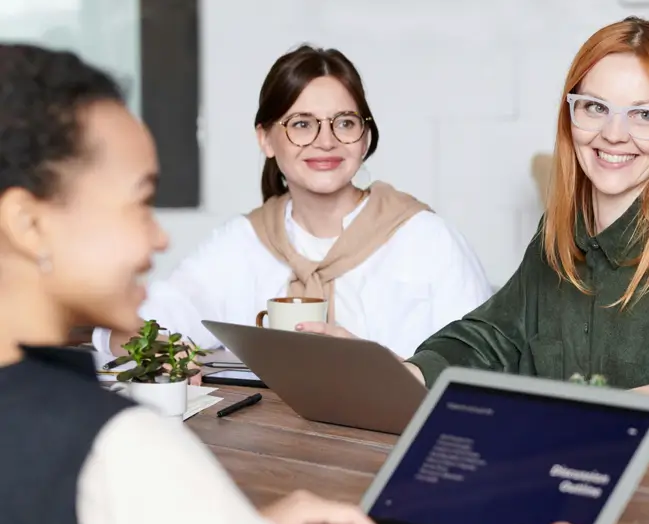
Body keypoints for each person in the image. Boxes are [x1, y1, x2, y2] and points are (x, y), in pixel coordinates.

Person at [0, 43, 624, 524]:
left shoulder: (425, 238)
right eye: (140, 202)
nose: (160, 236)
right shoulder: (120, 449)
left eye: (343, 122)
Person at [385, 17, 649, 421]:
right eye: (595, 107)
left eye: (644, 115)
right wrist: (409, 372)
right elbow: (495, 338)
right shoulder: (557, 238)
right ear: (570, 116)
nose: (614, 134)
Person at [92, 44, 491, 360]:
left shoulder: (426, 240)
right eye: (301, 124)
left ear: (366, 138)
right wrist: (157, 347)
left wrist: (375, 367)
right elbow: (144, 321)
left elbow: (483, 368)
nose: (326, 140)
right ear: (265, 138)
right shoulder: (244, 241)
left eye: (345, 122)